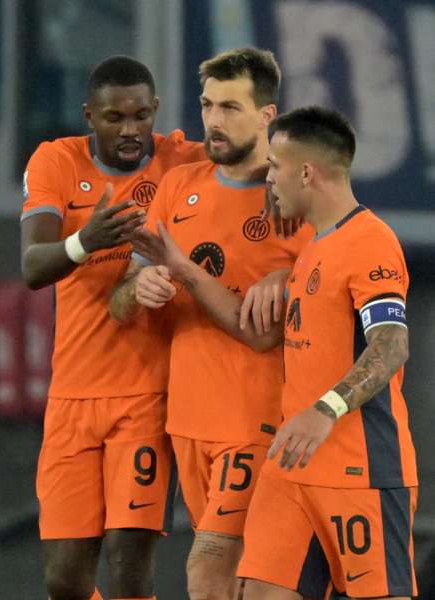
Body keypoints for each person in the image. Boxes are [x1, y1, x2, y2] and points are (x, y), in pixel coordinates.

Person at [109, 48, 311, 600]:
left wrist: (288, 278)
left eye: (230, 107)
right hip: (189, 420)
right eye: (206, 105)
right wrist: (138, 289)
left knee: (208, 567)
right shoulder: (179, 187)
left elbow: (270, 328)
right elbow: (120, 298)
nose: (213, 121)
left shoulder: (293, 200)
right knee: (246, 578)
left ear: (268, 116)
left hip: (257, 421)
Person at [20, 56, 205, 600]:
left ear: (155, 112)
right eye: (113, 117)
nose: (129, 130)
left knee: (129, 565)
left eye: (140, 116)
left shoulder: (177, 161)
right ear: (88, 116)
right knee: (65, 580)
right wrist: (86, 241)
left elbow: (252, 162)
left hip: (146, 395)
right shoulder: (56, 161)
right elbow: (32, 267)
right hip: (72, 397)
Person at [235, 107, 417, 600]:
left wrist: (326, 408)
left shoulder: (371, 243)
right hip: (292, 466)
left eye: (274, 165)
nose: (268, 177)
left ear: (306, 172)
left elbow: (392, 344)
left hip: (359, 470)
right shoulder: (314, 248)